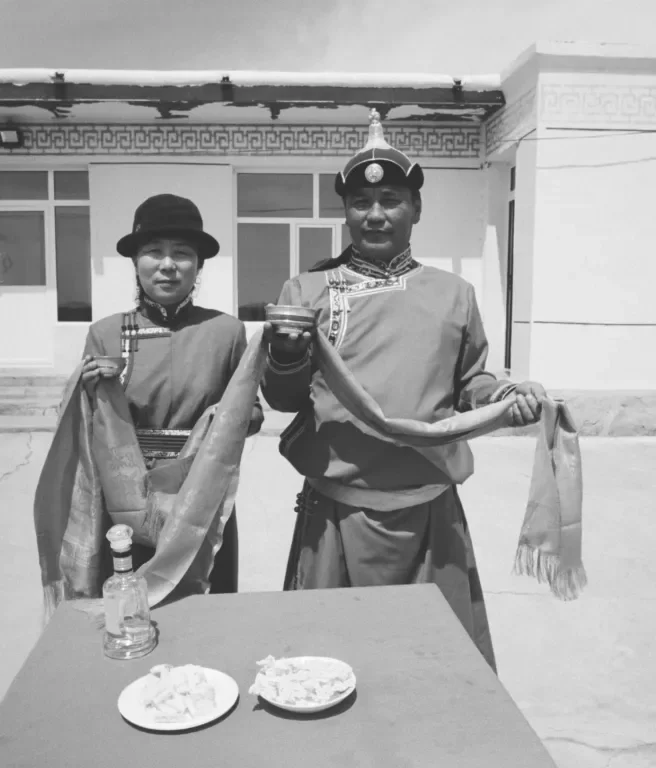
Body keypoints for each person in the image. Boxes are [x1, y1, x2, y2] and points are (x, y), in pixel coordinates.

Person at [261, 111, 546, 672]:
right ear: (344, 210)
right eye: (361, 203)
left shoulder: (454, 294)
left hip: (428, 513)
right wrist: (288, 355)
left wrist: (506, 399)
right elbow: (285, 400)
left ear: (416, 208)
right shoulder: (307, 290)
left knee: (432, 664)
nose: (375, 214)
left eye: (391, 200)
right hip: (336, 514)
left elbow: (471, 384)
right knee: (328, 663)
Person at [80, 193, 264, 594]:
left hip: (202, 492)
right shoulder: (106, 333)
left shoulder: (227, 331)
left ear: (198, 265)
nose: (167, 265)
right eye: (153, 252)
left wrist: (236, 418)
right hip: (126, 495)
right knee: (131, 600)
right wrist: (88, 394)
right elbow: (79, 425)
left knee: (204, 597)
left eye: (181, 253)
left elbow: (251, 414)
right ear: (135, 262)